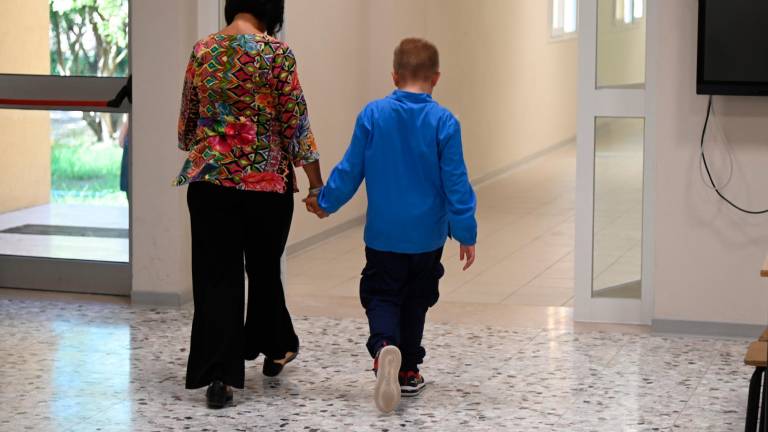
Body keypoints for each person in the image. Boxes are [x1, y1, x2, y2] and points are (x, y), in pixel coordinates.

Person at [305, 38, 478, 413]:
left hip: (383, 235)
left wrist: (325, 202)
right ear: (436, 78)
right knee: (417, 299)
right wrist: (465, 231)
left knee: (382, 294)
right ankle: (410, 370)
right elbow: (456, 182)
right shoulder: (444, 122)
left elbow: (351, 169)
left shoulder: (373, 114)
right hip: (427, 238)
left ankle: (384, 348)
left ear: (394, 75)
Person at [174, 0, 325, 409]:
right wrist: (316, 184)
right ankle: (275, 344)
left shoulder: (203, 50)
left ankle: (220, 376)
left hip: (210, 183)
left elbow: (187, 126)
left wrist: (213, 147)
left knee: (216, 278)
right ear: (270, 9)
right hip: (266, 186)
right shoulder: (277, 54)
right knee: (262, 270)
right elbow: (297, 124)